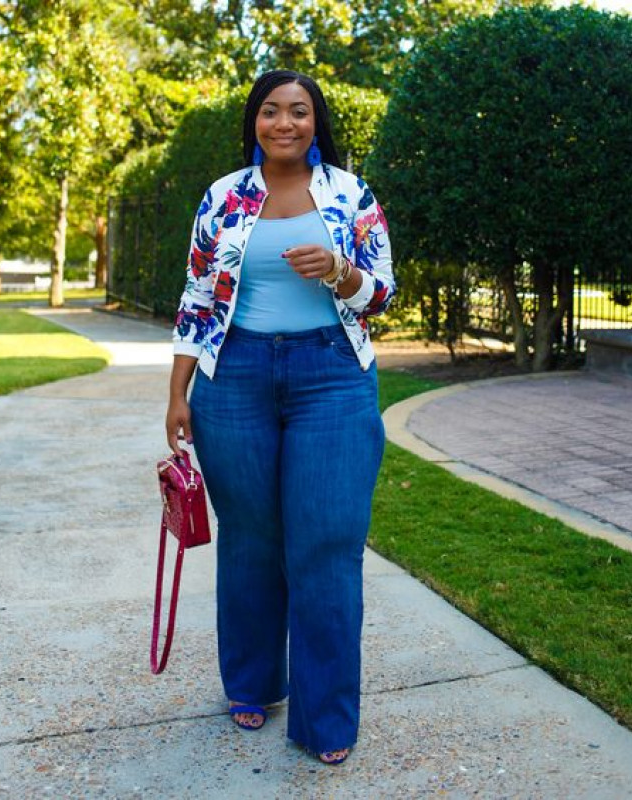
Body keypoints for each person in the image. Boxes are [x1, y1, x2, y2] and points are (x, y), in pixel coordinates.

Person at [165, 69, 395, 766]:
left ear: (316, 122)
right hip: (233, 379)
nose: (285, 123)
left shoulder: (350, 196)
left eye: (299, 112)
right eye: (272, 111)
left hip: (332, 378)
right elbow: (198, 297)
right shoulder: (224, 196)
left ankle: (326, 719)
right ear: (255, 121)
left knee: (326, 547)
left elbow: (380, 296)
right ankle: (253, 683)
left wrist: (337, 269)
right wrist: (178, 393)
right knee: (250, 541)